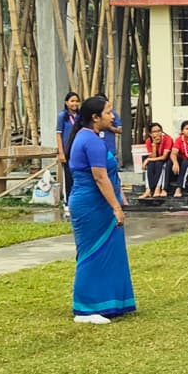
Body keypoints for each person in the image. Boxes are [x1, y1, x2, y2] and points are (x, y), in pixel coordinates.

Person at [66, 95, 135, 324]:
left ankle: (111, 302)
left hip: (100, 200)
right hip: (91, 203)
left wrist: (119, 196)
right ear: (95, 118)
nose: (112, 116)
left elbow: (110, 175)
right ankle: (85, 309)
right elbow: (99, 176)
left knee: (109, 251)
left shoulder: (93, 137)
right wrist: (116, 207)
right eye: (107, 112)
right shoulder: (90, 140)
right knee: (92, 254)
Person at [55, 91, 82, 206]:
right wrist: (61, 153)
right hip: (67, 150)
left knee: (79, 176)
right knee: (68, 177)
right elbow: (58, 134)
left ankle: (78, 201)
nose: (75, 103)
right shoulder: (63, 116)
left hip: (79, 150)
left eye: (77, 101)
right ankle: (67, 202)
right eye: (72, 101)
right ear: (66, 102)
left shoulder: (81, 116)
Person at [141, 122, 173, 198]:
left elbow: (164, 157)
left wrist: (148, 159)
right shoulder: (149, 141)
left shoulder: (167, 139)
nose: (158, 133)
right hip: (157, 159)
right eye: (154, 132)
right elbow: (153, 156)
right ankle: (148, 189)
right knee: (150, 165)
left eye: (159, 131)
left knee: (160, 164)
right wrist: (154, 146)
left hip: (167, 159)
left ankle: (157, 188)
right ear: (150, 134)